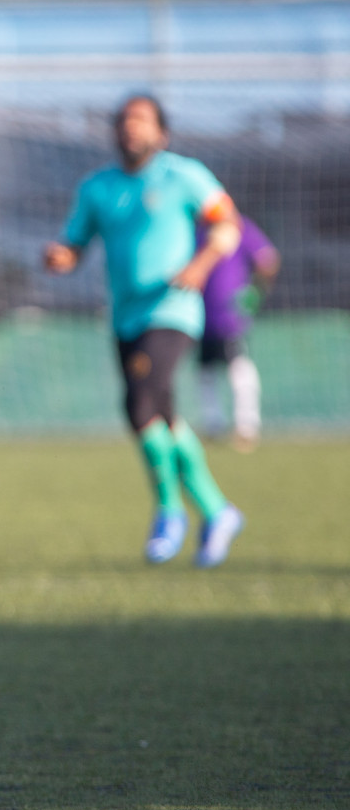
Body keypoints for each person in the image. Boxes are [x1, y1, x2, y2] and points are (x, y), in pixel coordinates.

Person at [44, 94, 245, 567]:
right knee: (164, 417)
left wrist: (200, 265)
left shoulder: (184, 176)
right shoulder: (97, 188)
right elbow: (74, 245)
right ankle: (217, 510)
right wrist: (60, 257)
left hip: (173, 310)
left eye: (140, 120)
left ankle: (170, 511)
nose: (129, 128)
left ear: (162, 132)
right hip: (126, 318)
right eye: (122, 120)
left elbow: (227, 227)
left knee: (139, 403)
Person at [197, 214, 278, 450]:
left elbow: (268, 260)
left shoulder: (240, 228)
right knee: (205, 371)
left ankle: (246, 426)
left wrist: (256, 293)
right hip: (201, 317)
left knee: (238, 368)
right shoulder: (198, 231)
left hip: (229, 317)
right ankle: (213, 423)